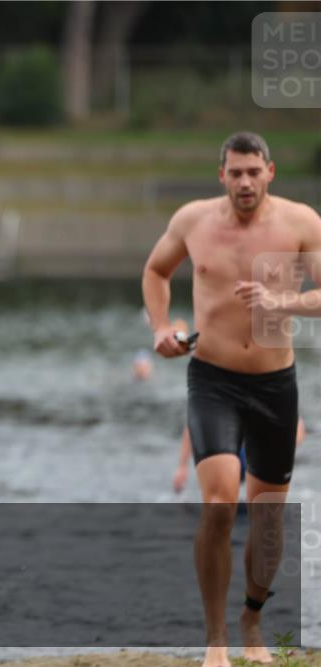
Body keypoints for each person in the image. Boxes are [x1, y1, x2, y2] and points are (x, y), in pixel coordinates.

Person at [142, 131, 321, 667]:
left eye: (253, 172)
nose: (245, 182)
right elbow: (155, 271)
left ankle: (252, 621)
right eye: (235, 172)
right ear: (222, 175)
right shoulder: (192, 220)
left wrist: (282, 301)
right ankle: (215, 638)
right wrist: (161, 327)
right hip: (213, 380)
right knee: (219, 504)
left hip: (274, 384)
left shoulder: (301, 222)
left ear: (271, 172)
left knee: (267, 521)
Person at [173, 419, 306, 494]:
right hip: (228, 451)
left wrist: (283, 452)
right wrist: (182, 466)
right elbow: (192, 426)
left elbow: (296, 424)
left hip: (256, 452)